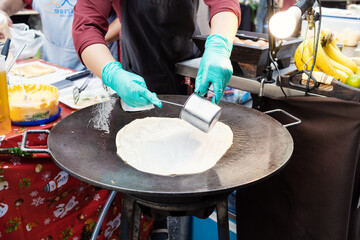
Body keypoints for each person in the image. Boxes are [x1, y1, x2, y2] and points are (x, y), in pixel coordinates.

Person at [72, 0, 241, 108]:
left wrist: (219, 46)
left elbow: (224, 2)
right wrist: (111, 73)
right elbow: (86, 27)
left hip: (187, 69)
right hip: (136, 72)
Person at [0, 0, 120, 71]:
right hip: (53, 67)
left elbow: (125, 19)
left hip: (99, 67)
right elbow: (8, 5)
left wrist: (90, 42)